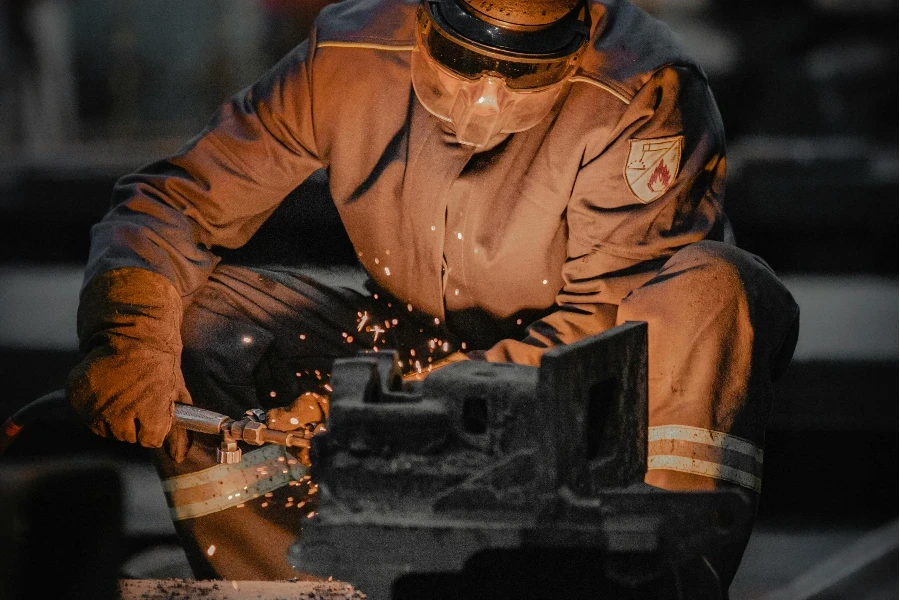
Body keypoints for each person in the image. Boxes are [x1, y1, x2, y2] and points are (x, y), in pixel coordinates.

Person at [66, 0, 800, 590]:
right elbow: (177, 203)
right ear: (424, 18)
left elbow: (611, 326)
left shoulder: (642, 92)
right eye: (462, 62)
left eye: (524, 75)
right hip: (412, 342)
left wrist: (403, 403)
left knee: (718, 290)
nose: (483, 104)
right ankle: (293, 582)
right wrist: (129, 333)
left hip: (581, 390)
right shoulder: (347, 57)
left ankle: (656, 579)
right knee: (208, 321)